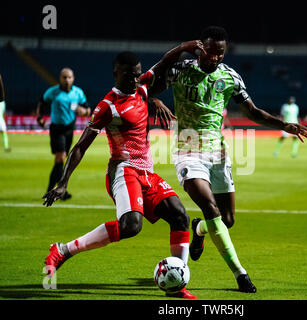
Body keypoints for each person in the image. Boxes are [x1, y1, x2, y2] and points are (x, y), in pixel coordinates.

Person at [42, 41, 206, 299]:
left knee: (179, 215)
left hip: (146, 172)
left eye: (137, 72)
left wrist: (185, 47)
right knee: (131, 225)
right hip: (123, 170)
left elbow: (164, 63)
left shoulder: (141, 87)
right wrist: (63, 182)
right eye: (128, 74)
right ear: (116, 73)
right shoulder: (108, 106)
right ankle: (62, 250)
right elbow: (81, 146)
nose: (134, 77)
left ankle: (177, 286)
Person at [161, 26, 307, 293]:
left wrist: (283, 124)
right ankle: (240, 274)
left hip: (218, 154)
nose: (216, 57)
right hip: (188, 151)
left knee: (227, 220)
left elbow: (252, 111)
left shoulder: (230, 77)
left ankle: (199, 231)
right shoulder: (181, 69)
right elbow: (149, 80)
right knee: (211, 208)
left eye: (221, 53)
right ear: (200, 47)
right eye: (211, 51)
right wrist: (153, 99)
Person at [36, 68, 91, 200]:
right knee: (60, 158)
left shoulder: (78, 93)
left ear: (73, 79)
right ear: (60, 78)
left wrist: (83, 111)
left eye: (69, 77)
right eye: (64, 77)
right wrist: (39, 118)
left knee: (61, 161)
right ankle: (56, 190)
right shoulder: (53, 92)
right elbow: (41, 103)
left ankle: (55, 190)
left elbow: (88, 109)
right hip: (56, 129)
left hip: (69, 130)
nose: (67, 80)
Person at [0, 73, 11, 152]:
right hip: (1, 121)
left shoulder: (2, 102)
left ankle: (6, 146)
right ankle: (6, 146)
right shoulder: (3, 102)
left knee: (4, 130)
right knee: (4, 131)